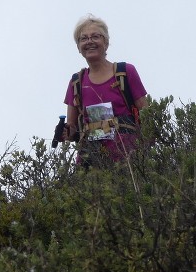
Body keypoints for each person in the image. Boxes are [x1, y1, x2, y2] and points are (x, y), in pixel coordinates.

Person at [61, 14, 150, 164]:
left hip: (129, 159)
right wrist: (64, 132)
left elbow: (147, 116)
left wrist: (144, 154)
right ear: (78, 47)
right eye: (83, 38)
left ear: (106, 43)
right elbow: (72, 129)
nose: (89, 42)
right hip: (90, 163)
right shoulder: (76, 82)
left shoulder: (125, 72)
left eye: (95, 36)